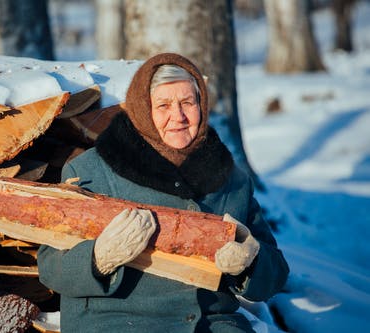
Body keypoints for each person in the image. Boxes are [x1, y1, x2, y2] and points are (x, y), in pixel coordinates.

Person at [37, 53, 289, 332]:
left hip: (210, 324)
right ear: (143, 109)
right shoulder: (92, 170)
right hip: (115, 322)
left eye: (187, 103)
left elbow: (275, 276)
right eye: (163, 105)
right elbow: (50, 267)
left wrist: (249, 263)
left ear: (202, 105)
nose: (178, 117)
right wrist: (99, 257)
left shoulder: (231, 180)